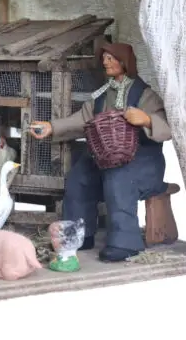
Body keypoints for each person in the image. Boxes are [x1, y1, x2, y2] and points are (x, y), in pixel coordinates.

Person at [30, 43, 172, 262]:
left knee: (119, 177)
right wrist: (51, 126)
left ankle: (125, 242)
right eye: (104, 58)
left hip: (143, 161)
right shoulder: (102, 95)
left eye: (110, 58)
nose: (105, 62)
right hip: (108, 158)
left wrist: (146, 119)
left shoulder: (144, 94)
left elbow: (167, 126)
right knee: (80, 176)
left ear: (124, 62)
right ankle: (79, 235)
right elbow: (82, 120)